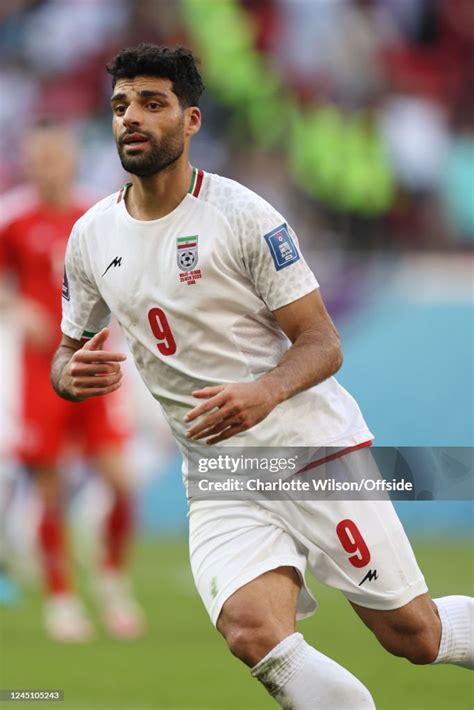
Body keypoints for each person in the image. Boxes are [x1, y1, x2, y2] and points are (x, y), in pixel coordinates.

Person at [51, 44, 472, 707]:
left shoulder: (244, 216)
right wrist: (67, 374)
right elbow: (64, 351)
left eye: (152, 104)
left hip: (312, 453)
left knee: (414, 636)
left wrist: (263, 391)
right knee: (254, 634)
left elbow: (323, 343)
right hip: (218, 477)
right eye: (121, 104)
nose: (131, 117)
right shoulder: (91, 237)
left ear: (191, 121)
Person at [0, 121, 145, 642]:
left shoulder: (103, 213)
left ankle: (109, 578)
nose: (49, 165)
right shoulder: (14, 218)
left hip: (99, 364)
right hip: (43, 373)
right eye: (39, 157)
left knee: (121, 481)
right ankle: (61, 598)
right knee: (51, 488)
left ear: (72, 159)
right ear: (29, 161)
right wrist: (19, 307)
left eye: (56, 156)